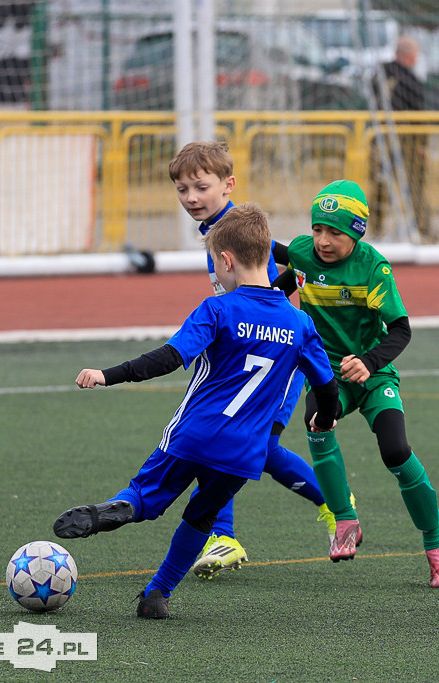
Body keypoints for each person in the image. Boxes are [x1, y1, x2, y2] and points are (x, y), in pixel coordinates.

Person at [52, 203, 340, 618]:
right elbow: (326, 387)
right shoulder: (300, 324)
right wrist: (325, 418)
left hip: (196, 434)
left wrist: (107, 375)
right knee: (202, 515)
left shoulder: (218, 309)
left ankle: (126, 507)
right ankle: (158, 594)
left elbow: (168, 358)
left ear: (226, 260)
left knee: (146, 493)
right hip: (245, 451)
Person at [168, 141, 350, 579]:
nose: (191, 197)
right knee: (224, 438)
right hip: (243, 357)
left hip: (274, 359)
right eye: (182, 189)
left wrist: (283, 296)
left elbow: (295, 263)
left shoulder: (237, 229)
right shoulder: (217, 229)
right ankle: (225, 536)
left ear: (227, 185)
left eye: (201, 187)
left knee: (245, 443)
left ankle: (333, 504)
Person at [272, 179, 439, 588]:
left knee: (396, 451)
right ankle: (344, 520)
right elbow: (280, 274)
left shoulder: (374, 268)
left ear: (356, 232)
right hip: (326, 373)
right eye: (317, 229)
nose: (323, 240)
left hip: (373, 374)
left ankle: (437, 542)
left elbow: (401, 329)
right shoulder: (303, 254)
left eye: (335, 232)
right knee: (318, 423)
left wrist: (369, 362)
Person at [370, 35, 431, 242]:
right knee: (414, 185)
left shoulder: (379, 74)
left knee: (380, 183)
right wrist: (423, 144)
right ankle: (423, 229)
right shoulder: (411, 80)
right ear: (412, 56)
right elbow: (419, 113)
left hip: (379, 136)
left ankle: (376, 228)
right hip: (407, 139)